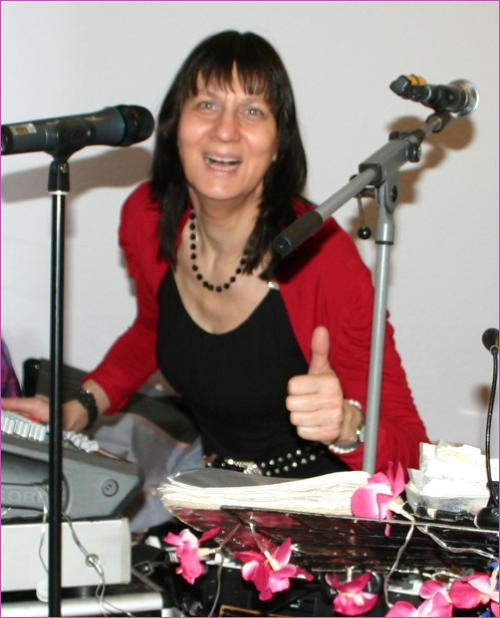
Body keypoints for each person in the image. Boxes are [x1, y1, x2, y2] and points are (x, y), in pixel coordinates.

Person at [2, 30, 428, 482]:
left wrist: (347, 427)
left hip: (318, 506)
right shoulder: (146, 216)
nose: (225, 130)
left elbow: (413, 452)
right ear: (175, 128)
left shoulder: (323, 257)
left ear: (278, 144)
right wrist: (78, 408)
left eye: (252, 110)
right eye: (206, 104)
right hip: (211, 500)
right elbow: (154, 328)